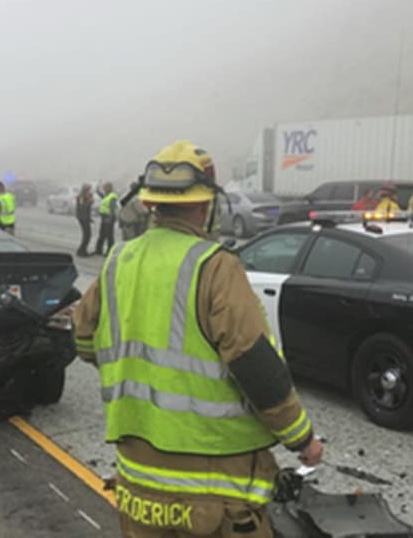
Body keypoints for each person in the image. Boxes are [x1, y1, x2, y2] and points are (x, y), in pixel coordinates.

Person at [72, 140, 323, 537]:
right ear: (205, 204)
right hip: (214, 486)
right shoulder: (215, 266)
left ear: (150, 204)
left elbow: (84, 339)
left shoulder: (119, 259)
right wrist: (302, 439)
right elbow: (253, 363)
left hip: (138, 480)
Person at [94, 182, 119, 256]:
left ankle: (110, 251)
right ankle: (98, 250)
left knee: (109, 235)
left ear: (109, 188)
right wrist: (98, 191)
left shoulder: (112, 196)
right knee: (102, 234)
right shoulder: (107, 195)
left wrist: (110, 219)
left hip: (109, 217)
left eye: (105, 187)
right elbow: (103, 197)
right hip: (104, 217)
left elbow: (112, 209)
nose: (104, 189)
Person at [76, 184, 95, 257]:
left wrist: (90, 218)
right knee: (87, 235)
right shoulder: (81, 196)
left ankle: (82, 250)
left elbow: (87, 210)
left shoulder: (86, 196)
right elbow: (82, 207)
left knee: (87, 235)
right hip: (82, 218)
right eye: (88, 189)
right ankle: (81, 251)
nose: (89, 191)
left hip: (85, 217)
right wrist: (90, 202)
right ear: (85, 189)